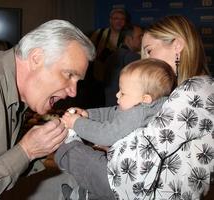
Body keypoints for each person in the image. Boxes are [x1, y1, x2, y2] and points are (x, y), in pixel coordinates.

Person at [55, 15, 214, 200]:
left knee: (66, 147)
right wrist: (91, 117)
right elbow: (132, 119)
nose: (143, 59)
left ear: (177, 45)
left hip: (149, 190)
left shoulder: (196, 90)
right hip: (143, 186)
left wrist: (102, 138)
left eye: (149, 50)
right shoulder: (182, 91)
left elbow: (142, 154)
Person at [0, 19, 95, 199]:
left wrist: (49, 142)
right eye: (69, 74)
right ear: (36, 59)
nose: (73, 92)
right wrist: (27, 150)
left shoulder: (14, 92)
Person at [55, 58, 176, 199]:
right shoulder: (144, 106)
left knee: (93, 167)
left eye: (123, 93)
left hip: (126, 174)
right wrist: (88, 114)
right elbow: (113, 112)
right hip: (127, 169)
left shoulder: (138, 113)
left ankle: (70, 164)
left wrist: (77, 123)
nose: (117, 95)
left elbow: (107, 134)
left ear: (146, 99)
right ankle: (82, 194)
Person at [104, 24, 143, 106]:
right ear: (128, 39)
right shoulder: (134, 57)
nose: (142, 40)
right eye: (139, 36)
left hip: (110, 104)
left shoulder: (112, 56)